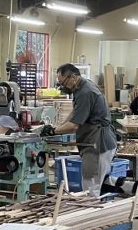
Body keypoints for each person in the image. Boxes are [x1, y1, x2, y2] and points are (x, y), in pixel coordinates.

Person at [41, 63, 118, 196]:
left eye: (63, 82)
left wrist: (53, 132)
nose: (63, 86)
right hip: (97, 141)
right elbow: (75, 113)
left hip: (98, 143)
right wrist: (58, 127)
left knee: (91, 185)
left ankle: (92, 209)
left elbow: (74, 125)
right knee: (104, 181)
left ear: (73, 77)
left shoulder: (85, 92)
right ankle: (134, 188)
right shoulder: (81, 86)